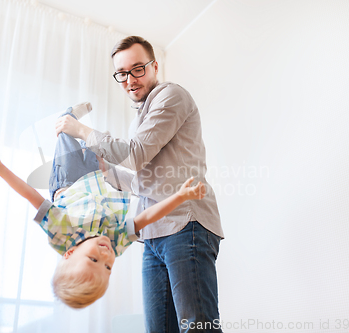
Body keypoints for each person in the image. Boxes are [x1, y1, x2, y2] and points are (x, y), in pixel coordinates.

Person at [54, 36, 224, 332]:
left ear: (155, 66)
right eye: (122, 73)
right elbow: (143, 183)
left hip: (186, 225)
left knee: (197, 327)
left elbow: (134, 154)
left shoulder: (171, 96)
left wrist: (81, 129)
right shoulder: (139, 119)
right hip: (153, 235)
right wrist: (103, 172)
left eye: (138, 69)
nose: (130, 80)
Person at [0, 106, 206, 309]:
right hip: (96, 178)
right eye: (107, 268)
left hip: (68, 180)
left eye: (94, 260)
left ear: (71, 253)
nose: (106, 256)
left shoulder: (62, 231)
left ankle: (68, 115)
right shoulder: (114, 242)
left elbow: (30, 194)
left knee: (66, 134)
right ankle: (85, 138)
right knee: (94, 143)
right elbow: (146, 218)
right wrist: (180, 196)